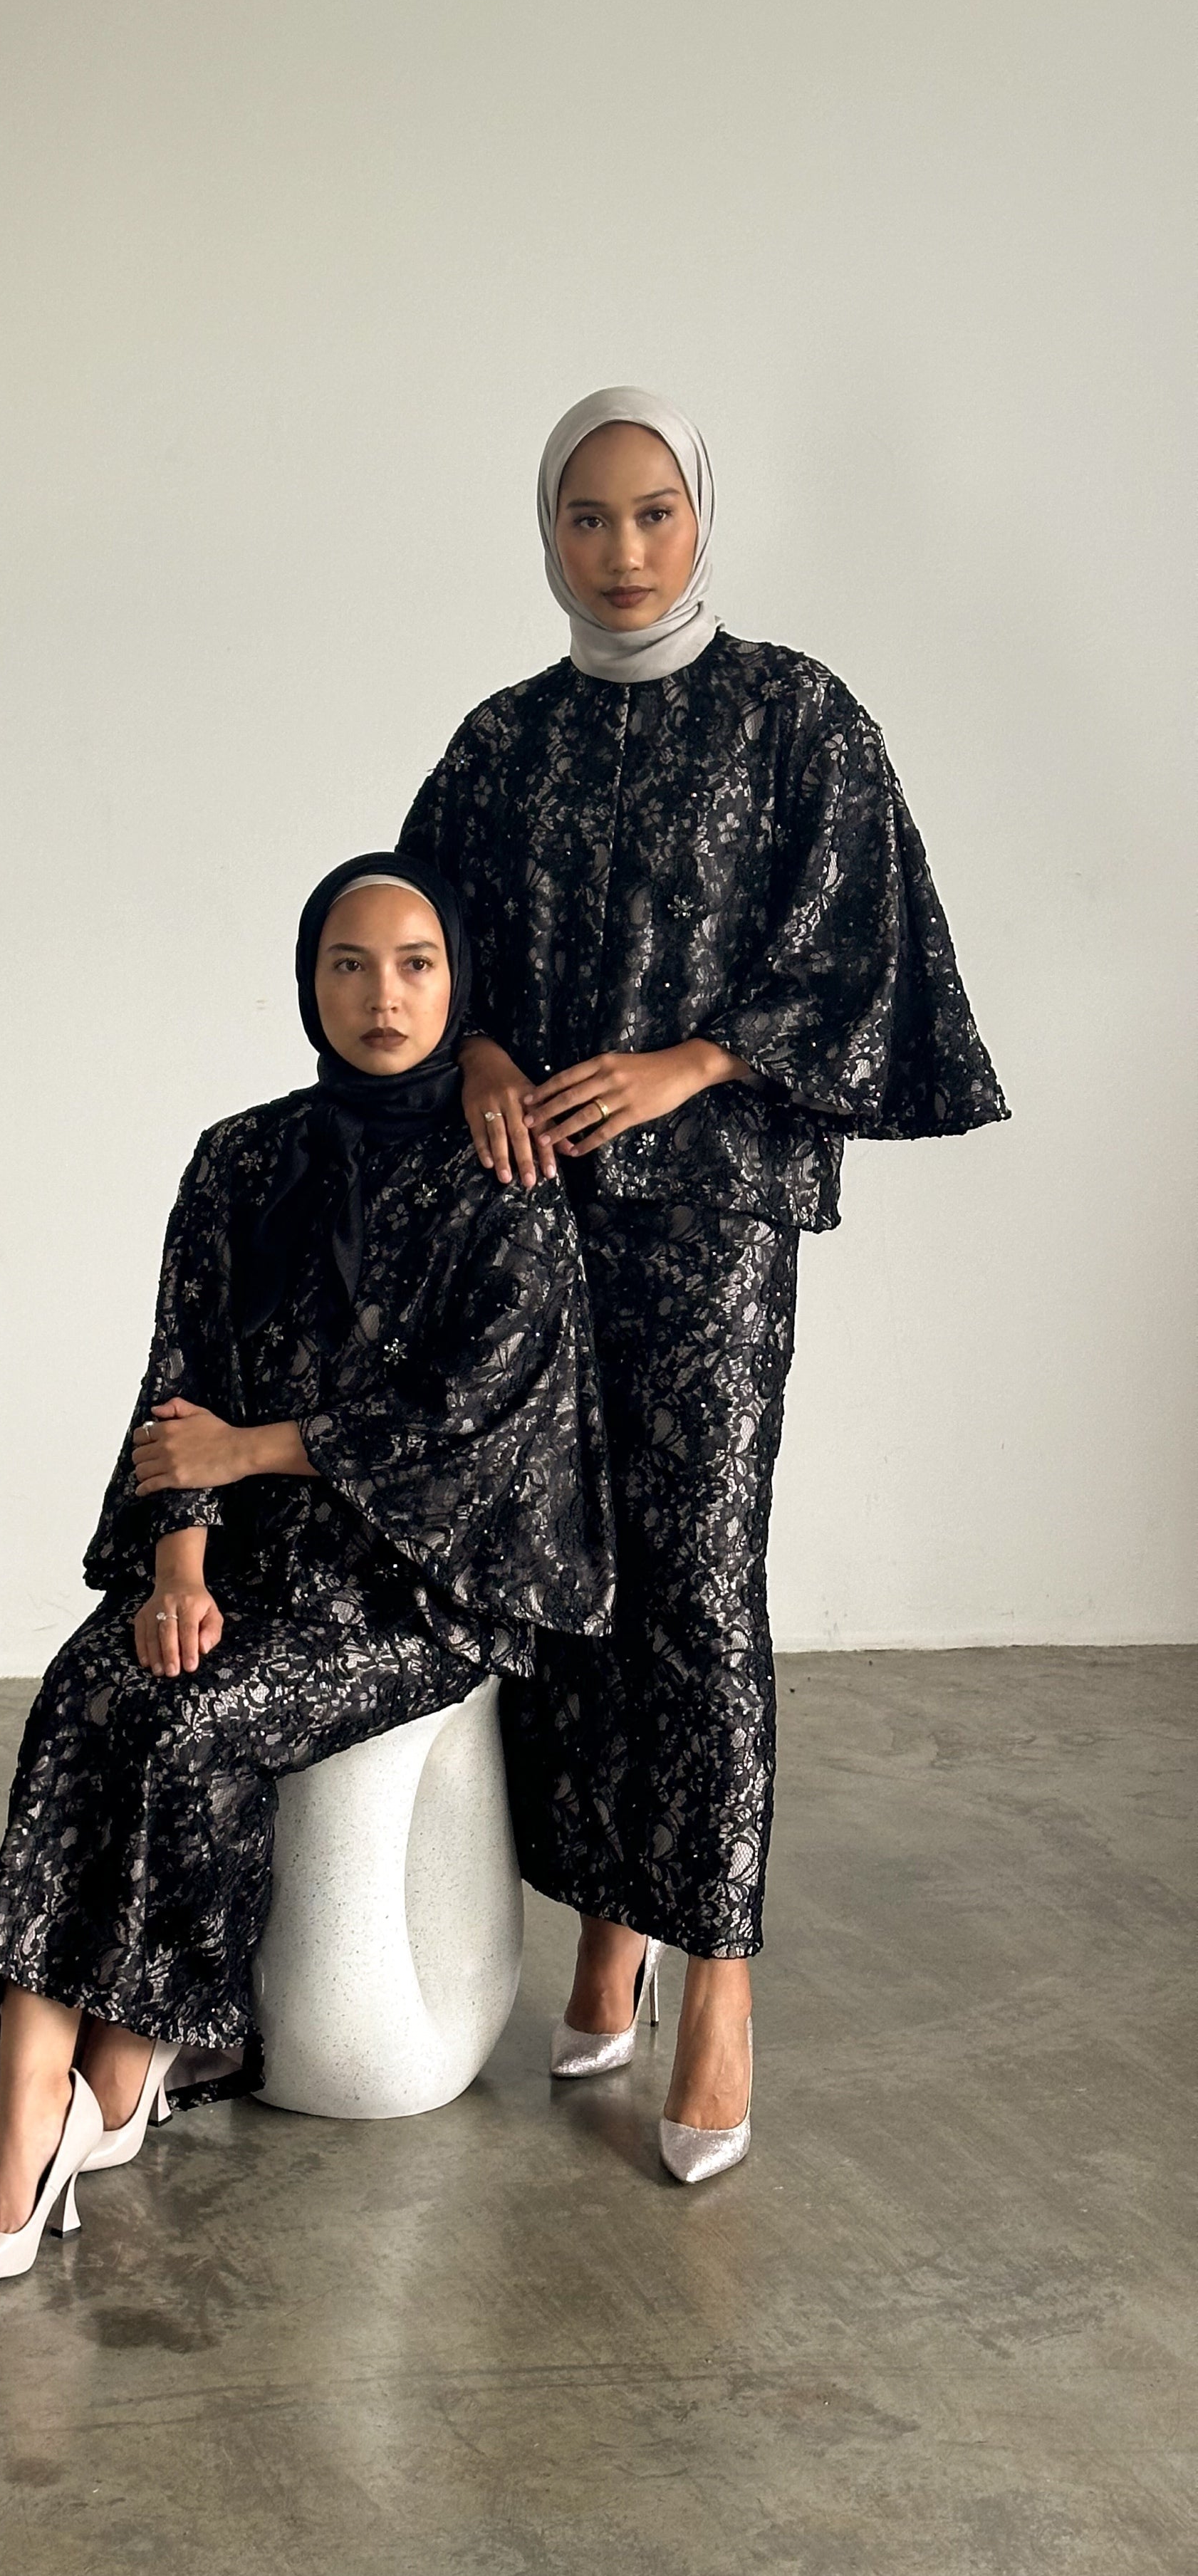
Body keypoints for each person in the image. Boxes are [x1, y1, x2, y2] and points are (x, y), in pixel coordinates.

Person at [401, 386, 1007, 2184]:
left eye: (653, 512)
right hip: (531, 1218)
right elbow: (413, 946)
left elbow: (864, 954)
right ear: (548, 536)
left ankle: (720, 1973)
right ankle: (611, 1920)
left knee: (699, 1581)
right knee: (566, 1571)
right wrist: (485, 1061)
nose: (625, 549)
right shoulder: (504, 745)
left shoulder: (794, 715)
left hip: (710, 1221)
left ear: (701, 518)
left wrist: (699, 1058)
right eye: (588, 519)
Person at [0, 852, 613, 2287]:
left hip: (420, 1586)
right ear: (308, 981)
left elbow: (467, 1422)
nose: (383, 994)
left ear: (459, 985)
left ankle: (94, 2091)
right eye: (350, 964)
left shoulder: (506, 1183)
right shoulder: (243, 1155)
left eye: (418, 964)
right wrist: (179, 1562)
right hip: (249, 1556)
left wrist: (245, 1458)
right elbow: (181, 1382)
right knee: (91, 1683)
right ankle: (39, 2113)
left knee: (178, 1719)